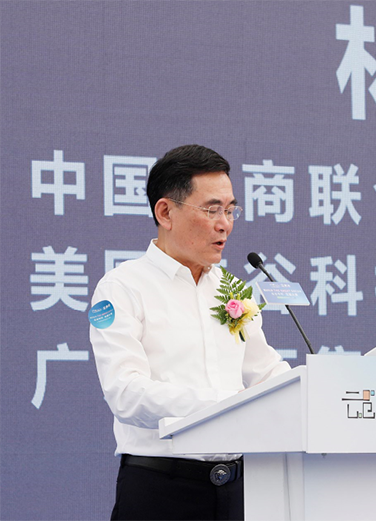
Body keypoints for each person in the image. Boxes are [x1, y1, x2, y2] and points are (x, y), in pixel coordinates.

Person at [89, 144, 290, 521]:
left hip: (239, 490)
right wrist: (225, 405)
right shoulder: (122, 288)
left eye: (230, 210)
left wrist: (311, 391)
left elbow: (266, 372)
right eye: (212, 210)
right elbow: (125, 393)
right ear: (165, 212)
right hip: (161, 489)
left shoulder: (233, 289)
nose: (225, 224)